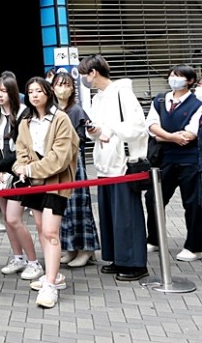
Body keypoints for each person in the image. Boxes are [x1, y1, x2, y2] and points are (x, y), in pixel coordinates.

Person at [78, 54, 149, 282]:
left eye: (83, 74)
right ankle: (118, 257)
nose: (83, 79)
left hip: (123, 163)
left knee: (127, 213)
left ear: (93, 73)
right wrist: (96, 131)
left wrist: (109, 130)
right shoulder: (98, 97)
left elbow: (138, 126)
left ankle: (135, 263)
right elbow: (101, 128)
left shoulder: (122, 92)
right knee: (111, 214)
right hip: (105, 163)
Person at [13, 77, 79, 308]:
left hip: (56, 181)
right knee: (41, 228)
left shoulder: (60, 118)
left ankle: (50, 284)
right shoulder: (26, 121)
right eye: (30, 91)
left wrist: (30, 168)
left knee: (51, 231)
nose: (34, 95)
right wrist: (21, 168)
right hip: (33, 182)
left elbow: (60, 157)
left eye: (39, 91)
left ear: (48, 92)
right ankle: (54, 275)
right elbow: (20, 149)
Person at [0, 75, 41, 280]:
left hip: (18, 171)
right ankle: (18, 257)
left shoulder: (24, 113)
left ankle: (34, 262)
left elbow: (23, 148)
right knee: (7, 219)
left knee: (14, 218)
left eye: (4, 91)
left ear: (12, 92)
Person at [145, 64, 202, 260]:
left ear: (190, 81)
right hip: (164, 158)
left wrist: (164, 136)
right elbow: (151, 126)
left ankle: (194, 246)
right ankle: (154, 239)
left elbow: (191, 133)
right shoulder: (160, 100)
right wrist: (171, 137)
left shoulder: (197, 104)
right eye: (171, 75)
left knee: (193, 203)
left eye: (178, 76)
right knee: (154, 198)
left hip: (190, 161)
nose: (173, 79)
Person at [52, 72, 99, 268]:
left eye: (66, 84)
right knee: (62, 209)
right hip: (54, 163)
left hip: (73, 163)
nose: (62, 88)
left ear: (72, 88)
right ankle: (70, 247)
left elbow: (81, 139)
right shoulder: (51, 110)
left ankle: (86, 249)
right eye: (58, 84)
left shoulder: (77, 111)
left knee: (79, 207)